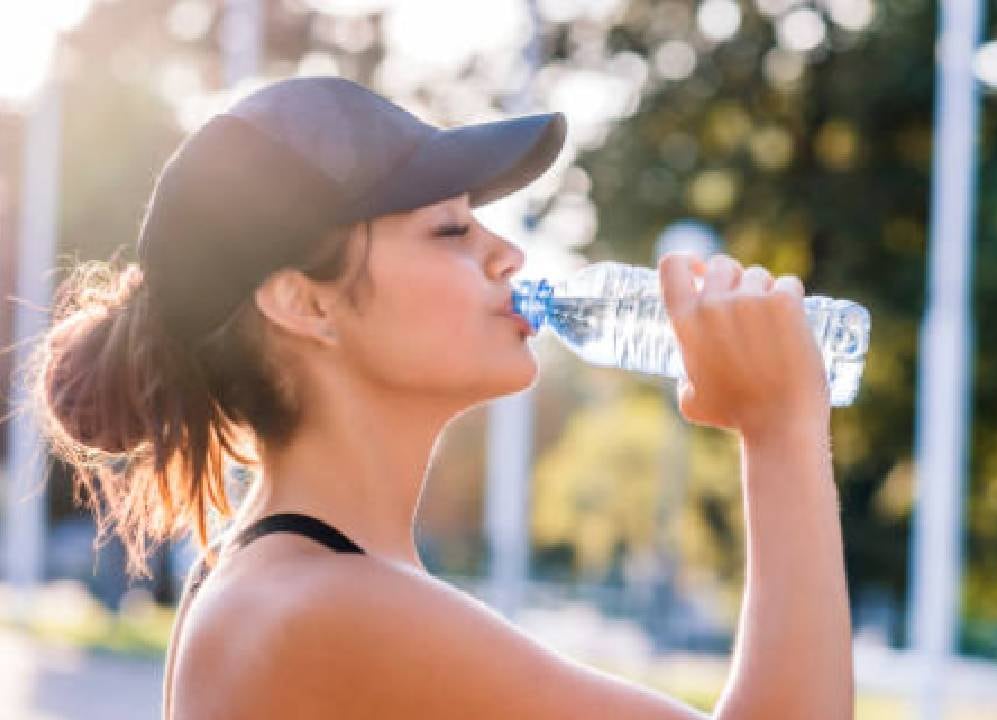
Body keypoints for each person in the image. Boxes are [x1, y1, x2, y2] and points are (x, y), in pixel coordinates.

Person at [32, 77, 851, 718]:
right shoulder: (321, 607)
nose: (509, 254)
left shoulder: (304, 581)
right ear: (303, 303)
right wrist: (779, 431)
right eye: (452, 231)